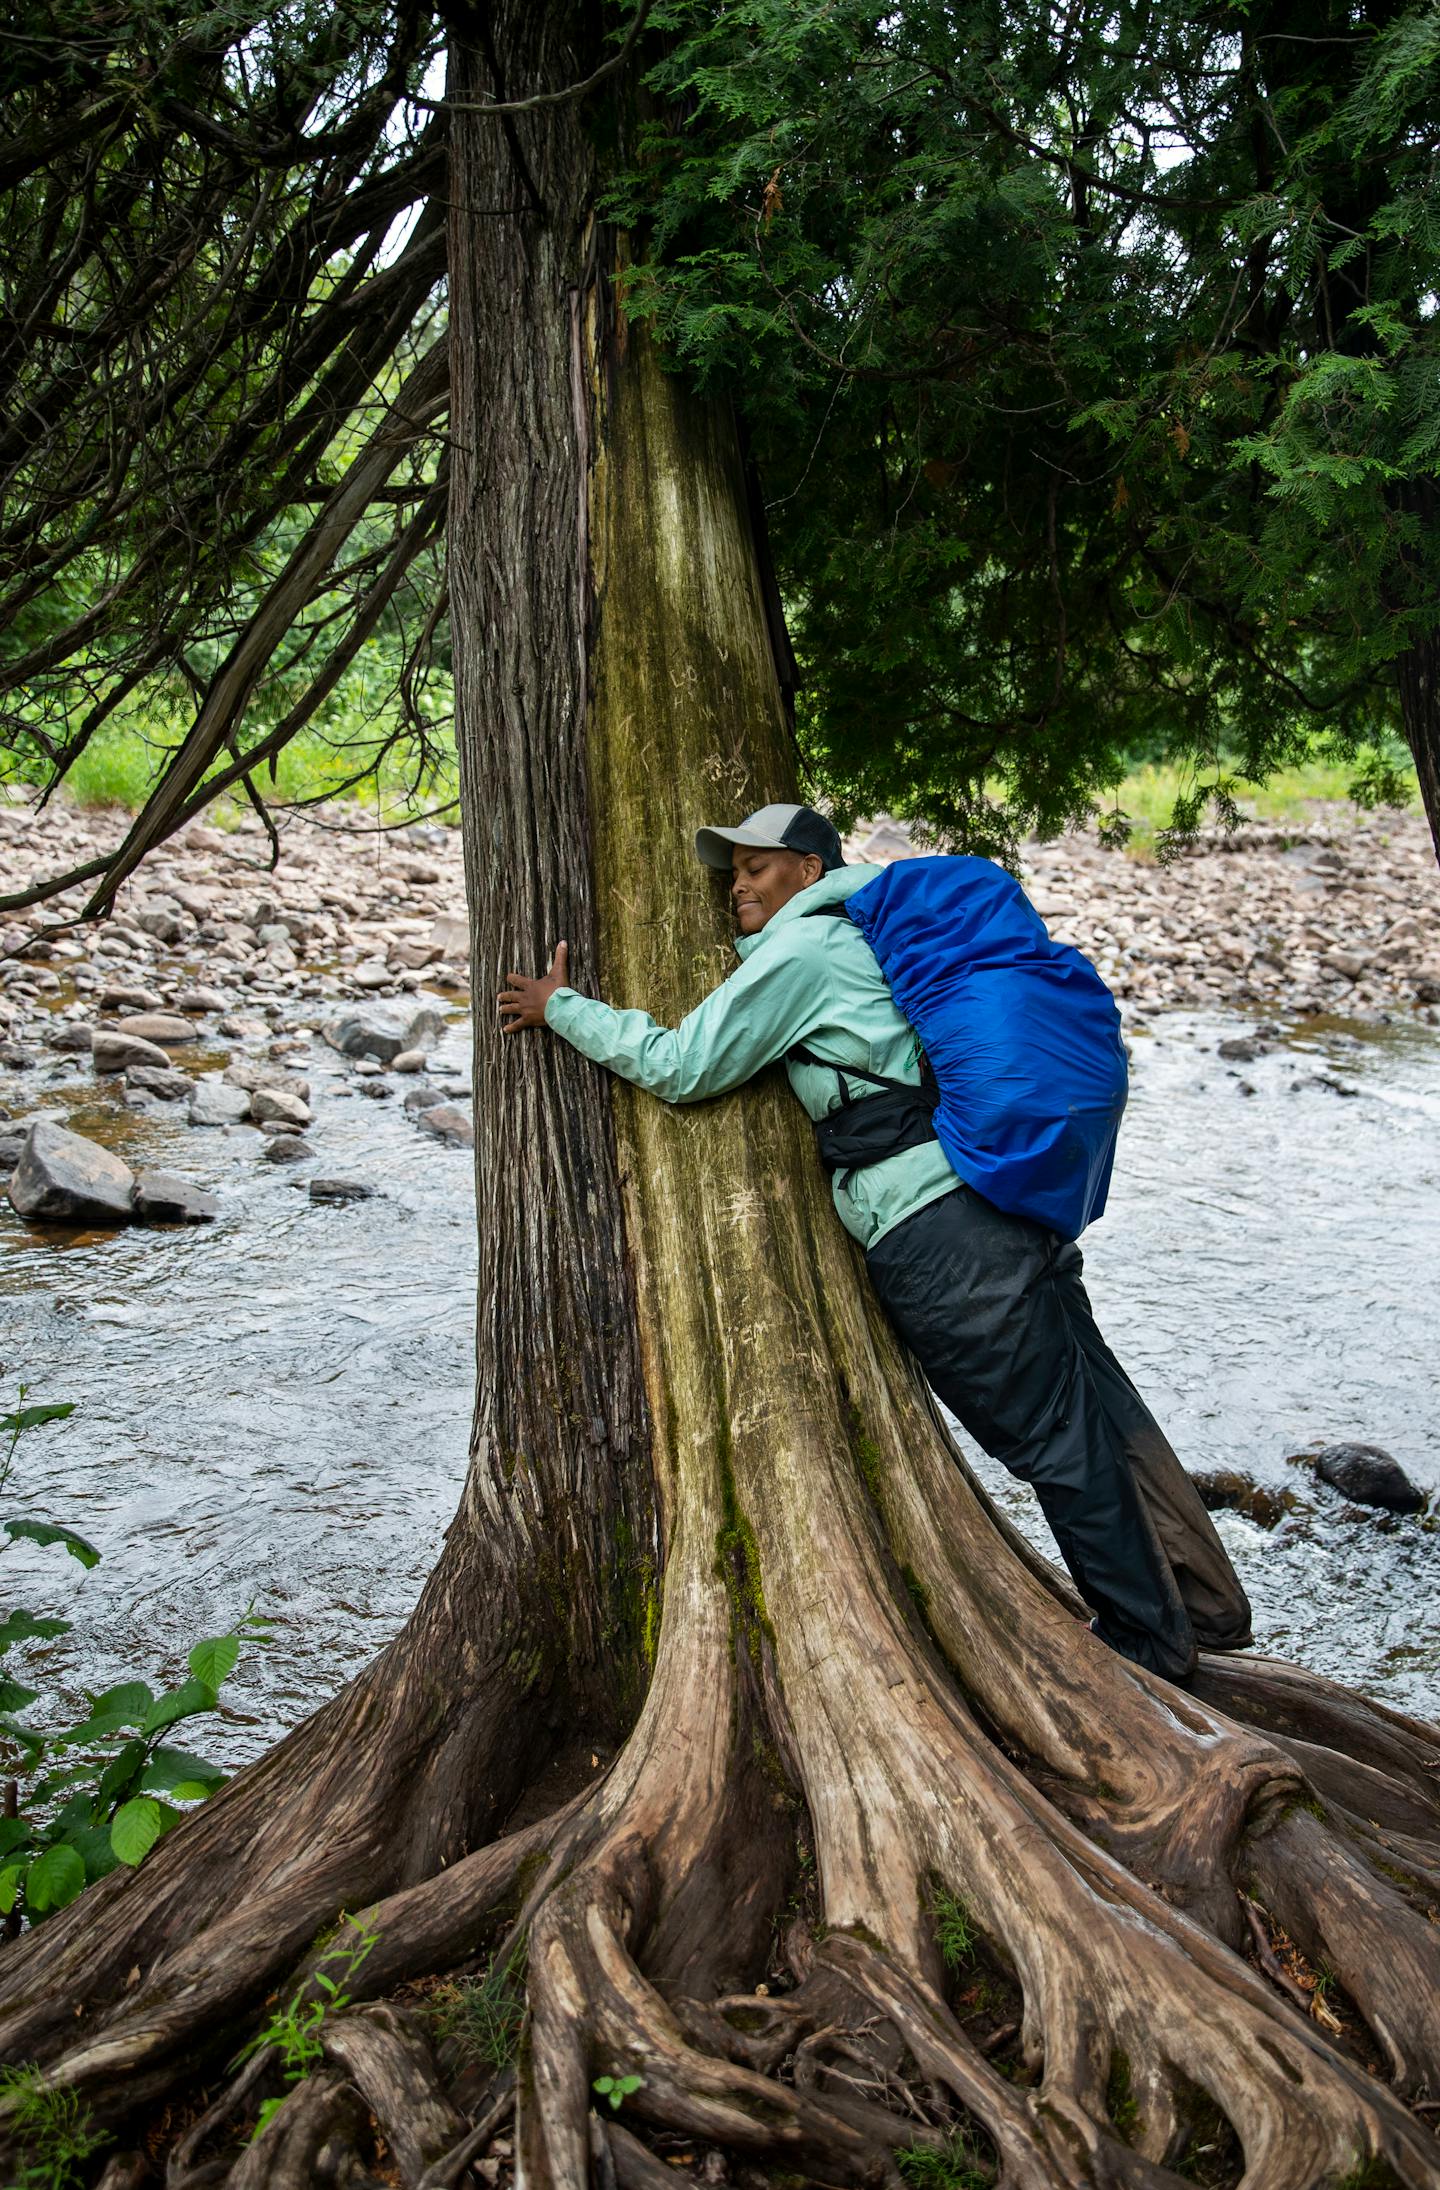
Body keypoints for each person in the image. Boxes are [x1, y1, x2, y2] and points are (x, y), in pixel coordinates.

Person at [498, 802, 1251, 1683]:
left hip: (938, 1234)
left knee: (1053, 1437)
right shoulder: (879, 937)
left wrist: (564, 1009)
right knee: (1100, 1411)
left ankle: (1147, 1647)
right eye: (732, 868)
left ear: (808, 874)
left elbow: (682, 1065)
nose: (738, 881)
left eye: (760, 864)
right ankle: (1197, 1605)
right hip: (998, 1202)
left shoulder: (807, 949)